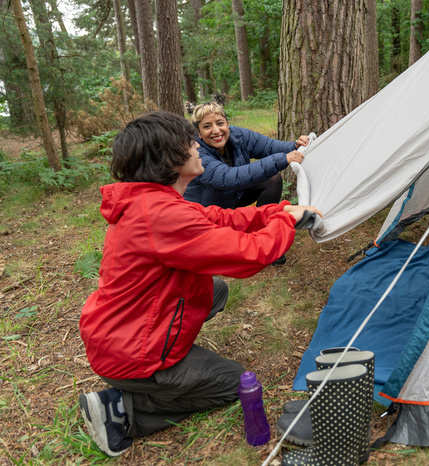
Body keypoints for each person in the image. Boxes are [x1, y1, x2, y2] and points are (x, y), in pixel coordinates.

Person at [77, 110, 322, 457]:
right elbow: (248, 255)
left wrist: (276, 212)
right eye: (189, 141)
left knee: (215, 291)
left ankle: (152, 375)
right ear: (170, 159)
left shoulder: (155, 202)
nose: (197, 146)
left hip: (116, 329)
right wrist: (286, 225)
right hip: (131, 351)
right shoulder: (161, 216)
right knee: (236, 384)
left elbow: (222, 217)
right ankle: (122, 409)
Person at [184, 101, 309, 212]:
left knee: (272, 179)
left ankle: (263, 227)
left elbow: (269, 146)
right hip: (204, 210)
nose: (216, 130)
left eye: (220, 123)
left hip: (230, 197)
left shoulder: (238, 135)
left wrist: (295, 146)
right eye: (207, 126)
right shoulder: (195, 151)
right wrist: (282, 159)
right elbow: (226, 178)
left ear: (227, 124)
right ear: (199, 133)